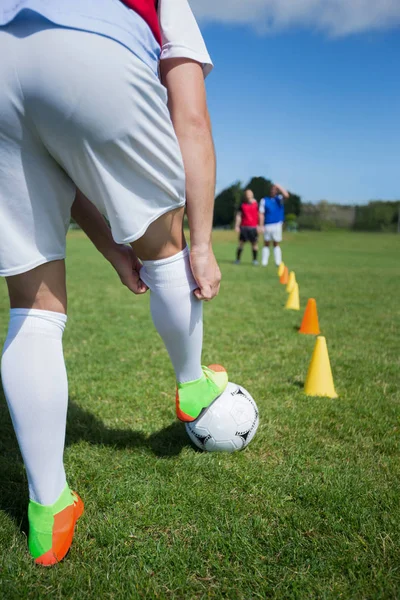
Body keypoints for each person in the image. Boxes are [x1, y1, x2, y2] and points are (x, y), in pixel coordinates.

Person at [0, 0, 227, 566]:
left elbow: (57, 156)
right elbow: (191, 120)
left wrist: (107, 245)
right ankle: (192, 384)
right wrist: (198, 243)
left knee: (32, 307)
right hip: (99, 47)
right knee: (166, 248)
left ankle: (48, 508)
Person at [259, 183, 289, 267]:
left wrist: (278, 186)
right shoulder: (264, 200)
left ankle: (278, 262)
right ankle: (264, 262)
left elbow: (286, 195)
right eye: (272, 189)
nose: (273, 191)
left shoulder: (279, 199)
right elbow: (261, 213)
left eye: (275, 190)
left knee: (276, 243)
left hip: (277, 224)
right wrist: (261, 225)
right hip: (267, 224)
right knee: (266, 243)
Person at [234, 189, 259, 265]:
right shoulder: (242, 205)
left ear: (252, 195)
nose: (248, 195)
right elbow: (239, 216)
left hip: (253, 227)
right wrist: (237, 226)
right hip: (244, 227)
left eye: (250, 193)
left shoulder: (256, 204)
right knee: (241, 244)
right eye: (247, 193)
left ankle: (254, 260)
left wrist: (260, 225)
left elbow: (260, 215)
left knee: (254, 244)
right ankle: (238, 260)